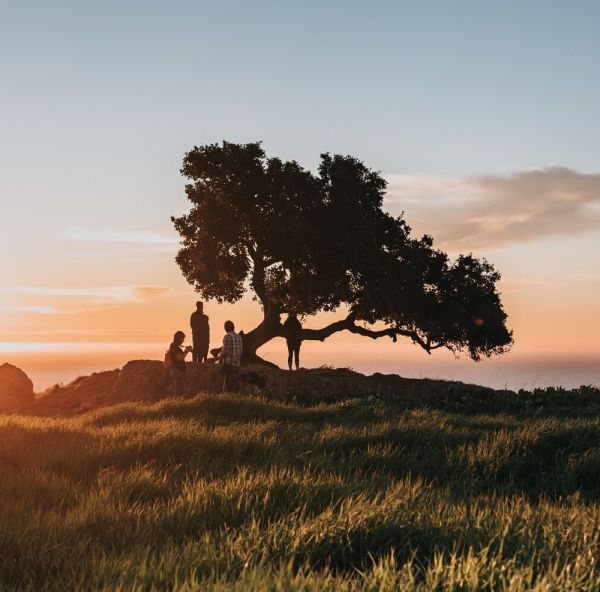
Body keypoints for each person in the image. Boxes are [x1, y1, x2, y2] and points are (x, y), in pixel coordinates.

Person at [218, 320, 243, 392]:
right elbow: (241, 350)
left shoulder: (227, 337)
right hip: (237, 364)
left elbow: (224, 351)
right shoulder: (239, 337)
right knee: (234, 383)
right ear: (233, 327)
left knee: (227, 384)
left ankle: (226, 399)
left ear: (225, 328)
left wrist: (219, 357)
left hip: (229, 364)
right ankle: (234, 399)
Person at [169, 331, 193, 397]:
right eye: (182, 338)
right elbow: (179, 358)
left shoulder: (174, 346)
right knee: (178, 389)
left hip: (177, 370)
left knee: (180, 388)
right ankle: (174, 404)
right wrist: (187, 351)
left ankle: (177, 404)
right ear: (179, 338)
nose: (183, 340)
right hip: (177, 370)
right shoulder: (174, 347)